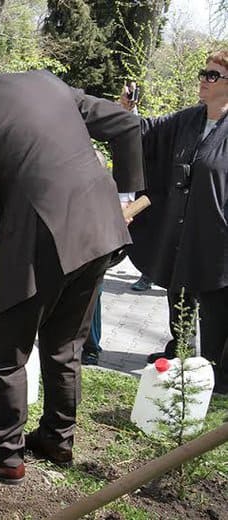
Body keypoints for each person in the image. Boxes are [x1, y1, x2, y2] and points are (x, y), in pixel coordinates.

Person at [0, 54, 144, 483]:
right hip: (101, 229)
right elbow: (127, 125)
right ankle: (56, 438)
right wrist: (123, 200)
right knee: (64, 343)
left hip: (41, 236)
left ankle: (4, 455)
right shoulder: (46, 82)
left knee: (4, 351)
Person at [121, 51, 228, 394]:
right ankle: (180, 350)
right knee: (178, 289)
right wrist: (128, 111)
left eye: (212, 75)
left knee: (215, 302)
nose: (203, 80)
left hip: (218, 236)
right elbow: (149, 132)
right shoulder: (190, 119)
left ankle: (214, 368)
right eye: (204, 72)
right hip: (181, 227)